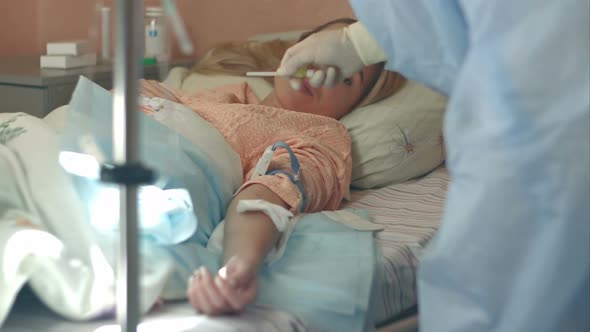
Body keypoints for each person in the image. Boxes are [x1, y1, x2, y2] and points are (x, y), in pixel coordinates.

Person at [277, 1, 590, 331]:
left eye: (351, 82)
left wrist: (364, 42)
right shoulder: (227, 95)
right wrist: (363, 41)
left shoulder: (317, 143)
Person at [139, 18, 405, 323]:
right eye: (318, 53)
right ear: (293, 52)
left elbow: (267, 194)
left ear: (355, 106)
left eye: (347, 79)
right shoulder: (230, 95)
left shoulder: (321, 136)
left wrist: (240, 267)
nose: (322, 72)